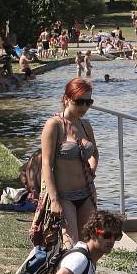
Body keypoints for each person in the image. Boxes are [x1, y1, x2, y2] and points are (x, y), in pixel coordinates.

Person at [39, 78, 99, 248]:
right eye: (80, 102)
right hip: (64, 196)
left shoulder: (85, 125)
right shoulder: (54, 125)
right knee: (70, 245)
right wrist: (54, 199)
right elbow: (46, 165)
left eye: (89, 102)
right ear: (66, 99)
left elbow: (94, 153)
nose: (84, 107)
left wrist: (92, 170)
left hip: (86, 193)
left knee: (90, 245)